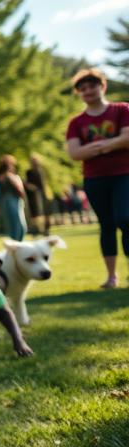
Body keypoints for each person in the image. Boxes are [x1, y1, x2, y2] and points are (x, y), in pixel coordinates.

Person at [65, 68, 129, 288]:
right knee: (107, 225)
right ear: (79, 94)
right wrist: (111, 144)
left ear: (102, 86)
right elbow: (74, 153)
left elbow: (127, 138)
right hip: (95, 179)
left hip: (124, 174)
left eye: (92, 86)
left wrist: (94, 147)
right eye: (82, 89)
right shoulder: (76, 122)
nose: (88, 91)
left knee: (126, 218)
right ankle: (112, 276)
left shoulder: (121, 110)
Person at [0, 155, 27, 241]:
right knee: (15, 227)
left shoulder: (13, 175)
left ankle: (19, 247)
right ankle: (15, 247)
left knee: (21, 228)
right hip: (8, 201)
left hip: (18, 201)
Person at [24, 154, 51, 236]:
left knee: (45, 212)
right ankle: (35, 230)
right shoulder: (29, 172)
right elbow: (27, 184)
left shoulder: (42, 171)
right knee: (35, 213)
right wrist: (31, 187)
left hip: (42, 193)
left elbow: (44, 184)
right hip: (33, 195)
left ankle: (46, 230)